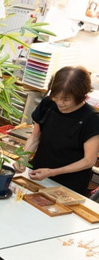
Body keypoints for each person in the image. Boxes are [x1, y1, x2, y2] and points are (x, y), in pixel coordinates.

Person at [16, 66, 99, 195]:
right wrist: (23, 158)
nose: (60, 103)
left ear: (82, 96)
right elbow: (35, 136)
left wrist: (52, 172)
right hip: (37, 174)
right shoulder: (48, 104)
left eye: (66, 99)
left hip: (68, 185)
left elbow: (89, 161)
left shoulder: (92, 119)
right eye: (56, 96)